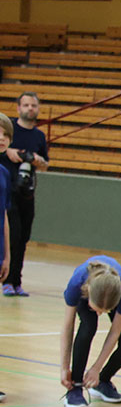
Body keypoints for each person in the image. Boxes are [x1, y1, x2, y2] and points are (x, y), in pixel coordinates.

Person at [60, 256, 121, 407]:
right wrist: (64, 367)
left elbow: (115, 332)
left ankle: (103, 381)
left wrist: (96, 368)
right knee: (88, 327)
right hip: (86, 291)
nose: (100, 314)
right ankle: (75, 388)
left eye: (105, 311)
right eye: (96, 309)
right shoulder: (77, 285)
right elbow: (68, 327)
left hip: (113, 294)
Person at [2, 91, 49, 297]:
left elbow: (46, 164)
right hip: (7, 191)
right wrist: (10, 152)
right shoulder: (9, 129)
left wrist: (38, 160)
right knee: (13, 234)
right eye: (26, 105)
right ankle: (7, 280)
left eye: (34, 105)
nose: (30, 108)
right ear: (18, 108)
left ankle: (16, 281)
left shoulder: (39, 136)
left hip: (26, 192)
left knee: (23, 237)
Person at [0, 114, 10, 402]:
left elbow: (5, 216)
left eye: (6, 135)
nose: (2, 138)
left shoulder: (4, 173)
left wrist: (8, 255)